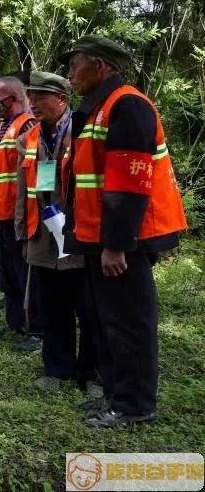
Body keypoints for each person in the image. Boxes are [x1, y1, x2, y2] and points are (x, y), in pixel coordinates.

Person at [61, 36, 186, 428]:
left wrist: (116, 245)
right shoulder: (97, 108)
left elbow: (129, 183)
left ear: (100, 67)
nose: (69, 74)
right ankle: (117, 395)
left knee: (129, 321)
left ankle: (135, 405)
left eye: (74, 65)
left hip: (125, 239)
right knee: (106, 318)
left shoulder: (127, 104)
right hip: (102, 237)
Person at [15, 72, 101, 398]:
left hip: (79, 232)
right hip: (43, 234)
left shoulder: (84, 131)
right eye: (30, 97)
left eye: (39, 97)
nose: (32, 103)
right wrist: (23, 234)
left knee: (89, 307)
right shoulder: (30, 139)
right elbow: (25, 192)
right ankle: (57, 368)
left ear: (62, 99)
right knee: (52, 305)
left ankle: (93, 374)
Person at [0, 76, 41, 350]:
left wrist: (28, 217)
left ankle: (35, 330)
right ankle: (15, 323)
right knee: (8, 272)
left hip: (20, 215)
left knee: (26, 273)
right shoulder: (2, 127)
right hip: (2, 213)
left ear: (16, 97)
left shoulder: (27, 125)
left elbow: (31, 175)